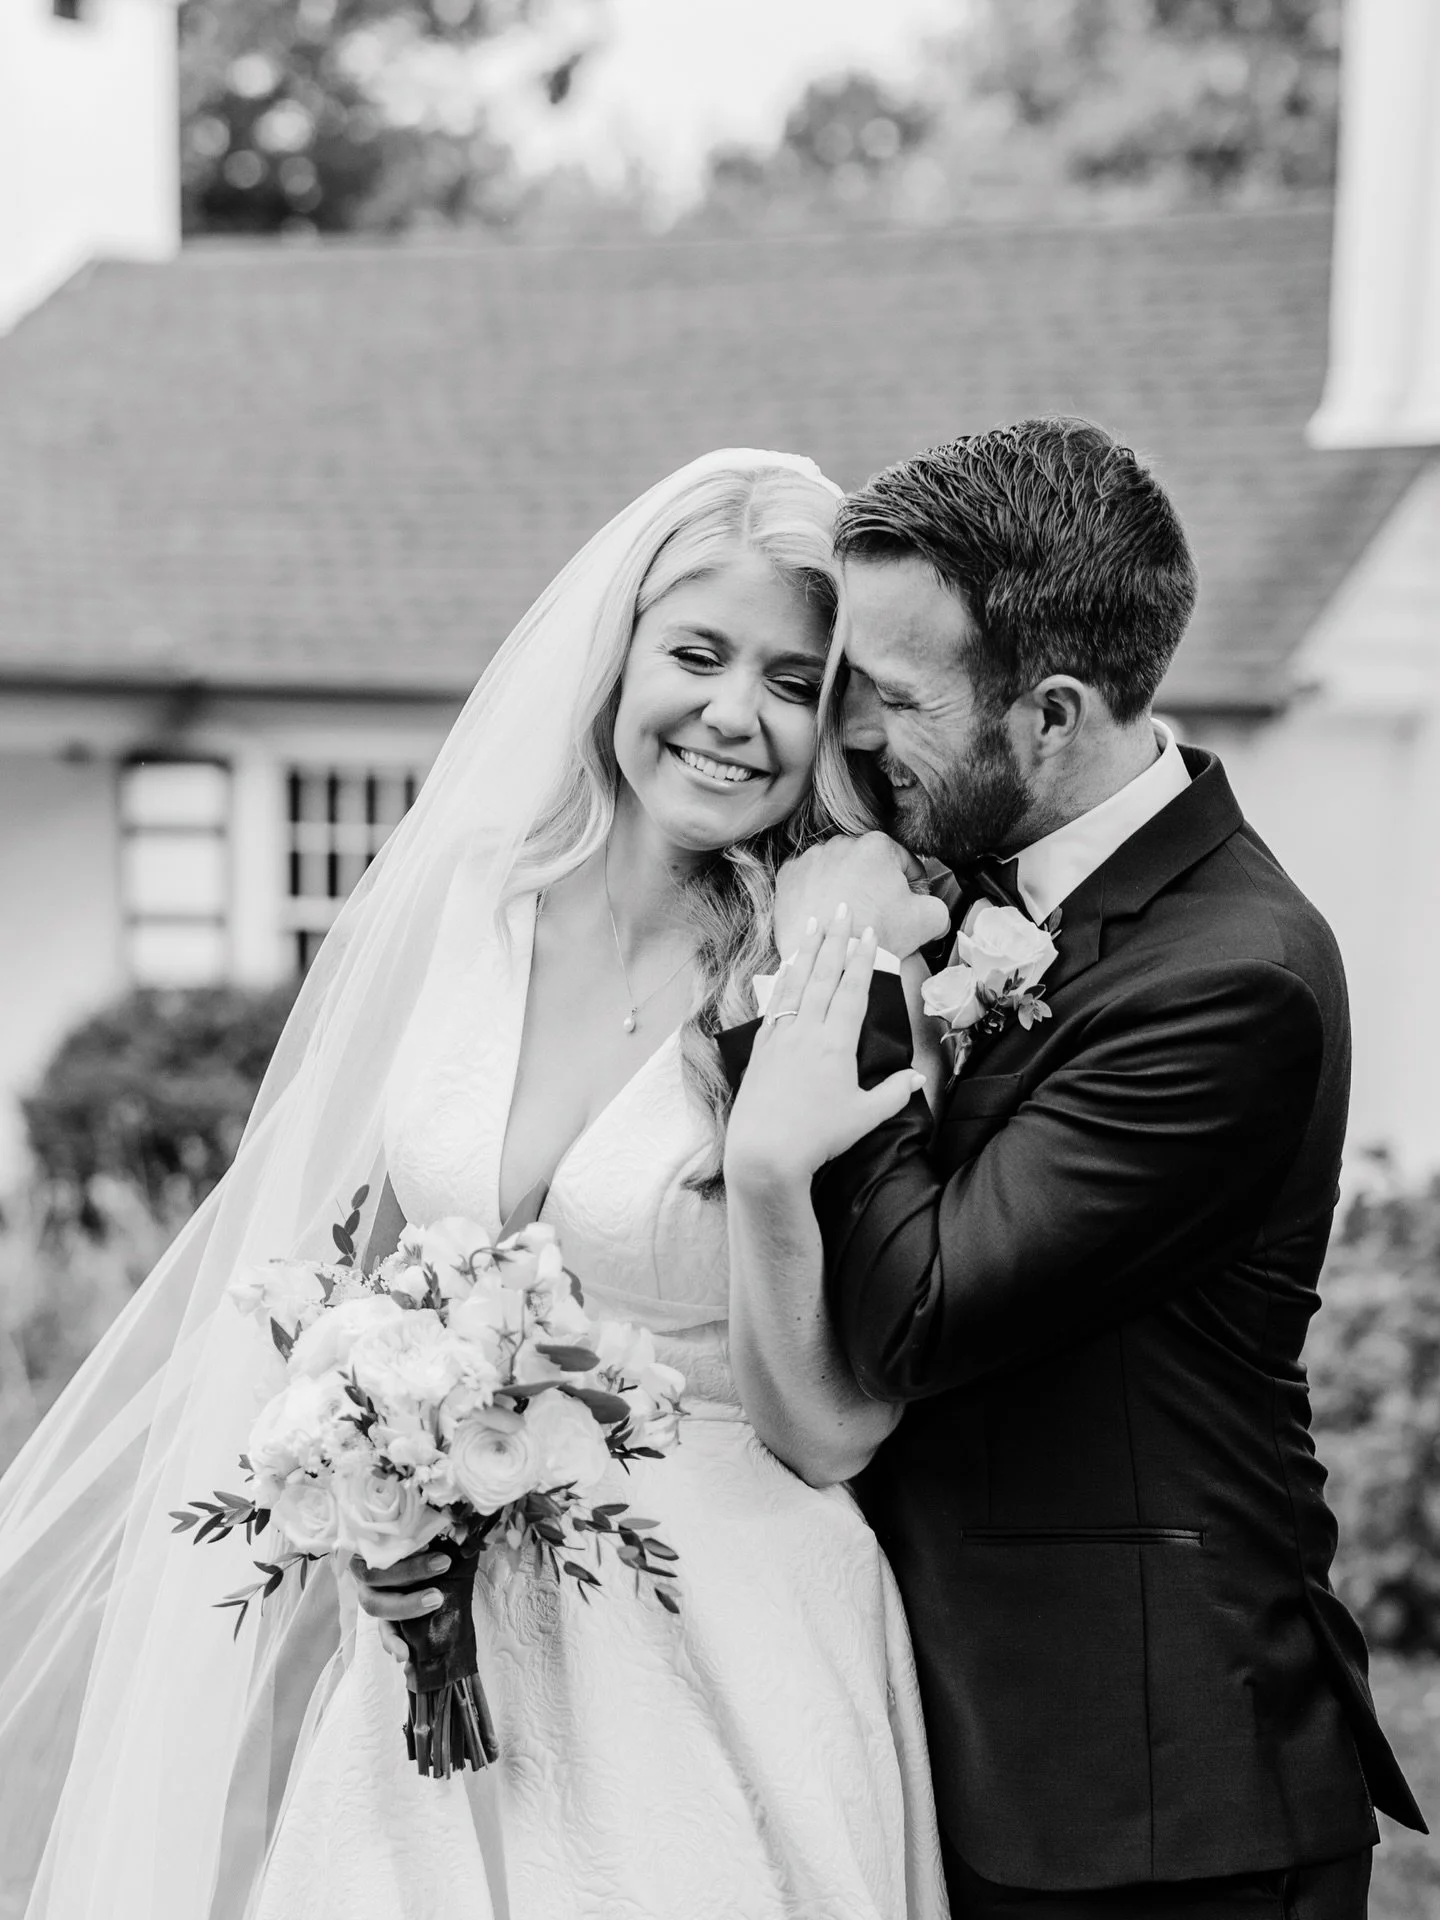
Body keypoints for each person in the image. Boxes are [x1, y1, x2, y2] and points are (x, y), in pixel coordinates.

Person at [0, 450, 948, 1920]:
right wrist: (366, 1516)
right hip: (442, 1637)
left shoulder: (831, 946)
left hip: (720, 1644)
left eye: (791, 681)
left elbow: (840, 1429)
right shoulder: (474, 899)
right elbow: (354, 1288)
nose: (733, 716)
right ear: (618, 654)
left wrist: (767, 1164)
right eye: (697, 654)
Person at [721, 417, 1427, 1920]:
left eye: (892, 701)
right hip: (946, 1746)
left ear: (1048, 714)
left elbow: (915, 1309)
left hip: (1149, 1802)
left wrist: (834, 968)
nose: (847, 739)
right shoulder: (970, 868)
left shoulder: (1234, 980)